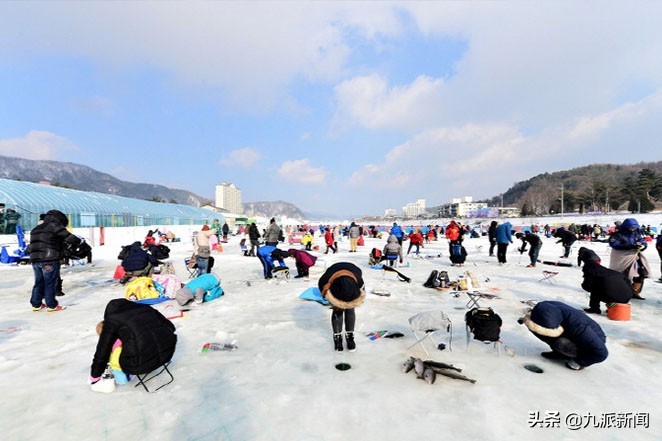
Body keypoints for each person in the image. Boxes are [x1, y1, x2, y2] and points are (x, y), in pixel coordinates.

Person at [89, 299, 177, 392]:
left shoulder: (113, 321)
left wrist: (94, 378)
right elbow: (170, 327)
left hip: (139, 364)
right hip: (167, 353)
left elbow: (102, 351)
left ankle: (123, 379)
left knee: (115, 358)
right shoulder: (146, 308)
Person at [521, 300, 608, 370]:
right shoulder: (547, 307)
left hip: (589, 347)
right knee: (536, 329)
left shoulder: (578, 327)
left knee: (560, 342)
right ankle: (560, 353)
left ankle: (573, 356)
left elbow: (601, 353)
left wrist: (579, 362)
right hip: (571, 333)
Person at [26, 210, 82, 312]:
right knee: (50, 283)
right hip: (49, 259)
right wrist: (79, 241)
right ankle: (52, 305)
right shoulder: (54, 226)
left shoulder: (36, 228)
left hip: (35, 260)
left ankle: (36, 304)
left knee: (39, 282)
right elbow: (70, 238)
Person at [318, 262, 365, 352]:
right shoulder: (323, 282)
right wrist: (337, 303)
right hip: (332, 275)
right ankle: (337, 337)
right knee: (337, 310)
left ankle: (349, 336)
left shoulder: (359, 282)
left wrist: (349, 303)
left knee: (350, 308)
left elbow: (359, 297)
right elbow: (325, 296)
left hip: (353, 271)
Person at [577, 247, 632, 314]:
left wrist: (586, 286)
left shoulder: (591, 271)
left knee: (595, 289)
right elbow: (628, 282)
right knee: (603, 287)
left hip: (613, 297)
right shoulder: (611, 272)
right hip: (627, 297)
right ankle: (614, 307)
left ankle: (594, 308)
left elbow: (587, 286)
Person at [608, 218, 651, 300]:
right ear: (626, 227)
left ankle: (635, 292)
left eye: (634, 227)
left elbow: (642, 241)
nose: (633, 229)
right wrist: (630, 246)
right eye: (631, 227)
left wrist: (643, 246)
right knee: (623, 275)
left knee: (641, 273)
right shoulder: (617, 235)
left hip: (634, 256)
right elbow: (614, 244)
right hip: (621, 258)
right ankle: (621, 292)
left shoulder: (636, 234)